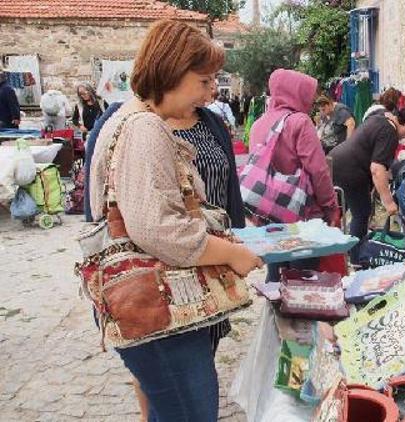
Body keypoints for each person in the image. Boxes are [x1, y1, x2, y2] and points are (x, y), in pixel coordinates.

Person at [87, 20, 263, 421]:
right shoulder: (144, 129)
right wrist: (231, 253)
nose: (210, 93)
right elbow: (159, 229)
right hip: (159, 313)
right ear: (170, 71)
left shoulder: (128, 121)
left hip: (154, 312)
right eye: (203, 81)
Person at [249, 68, 339, 281]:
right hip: (303, 217)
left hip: (268, 215)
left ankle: (274, 312)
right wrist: (330, 207)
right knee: (303, 280)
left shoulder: (258, 124)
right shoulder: (300, 121)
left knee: (275, 275)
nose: (310, 100)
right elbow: (318, 170)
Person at [329, 105, 405, 261]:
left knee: (341, 211)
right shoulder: (390, 133)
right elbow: (377, 169)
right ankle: (356, 259)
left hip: (336, 161)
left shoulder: (380, 117)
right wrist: (388, 201)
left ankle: (338, 253)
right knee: (361, 213)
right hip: (351, 170)